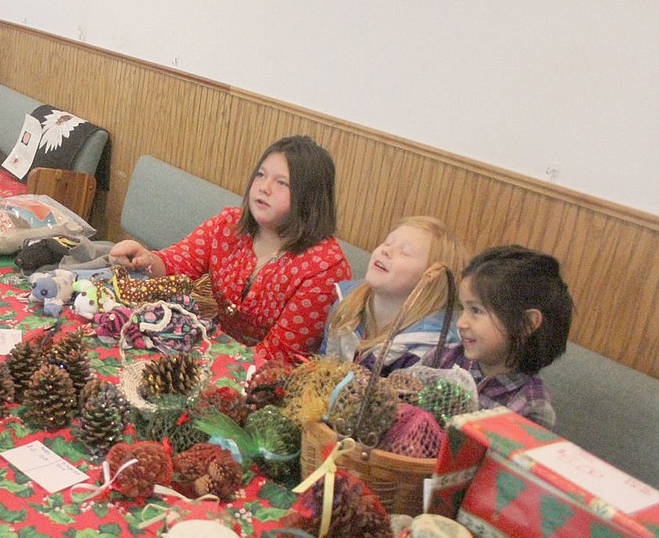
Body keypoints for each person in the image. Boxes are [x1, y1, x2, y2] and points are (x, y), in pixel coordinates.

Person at [110, 135, 351, 365]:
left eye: (282, 183)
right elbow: (176, 263)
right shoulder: (229, 224)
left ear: (310, 198)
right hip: (213, 350)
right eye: (261, 175)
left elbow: (279, 356)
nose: (264, 188)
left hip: (266, 382)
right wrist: (144, 258)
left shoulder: (324, 268)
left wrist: (203, 362)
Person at [428, 245, 573, 430]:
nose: (461, 323)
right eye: (462, 308)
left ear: (527, 323)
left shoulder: (531, 407)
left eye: (476, 310)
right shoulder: (442, 358)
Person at [322, 216, 469, 375]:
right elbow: (322, 364)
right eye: (387, 242)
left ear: (432, 279)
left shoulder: (431, 347)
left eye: (405, 252)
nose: (386, 250)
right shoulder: (346, 301)